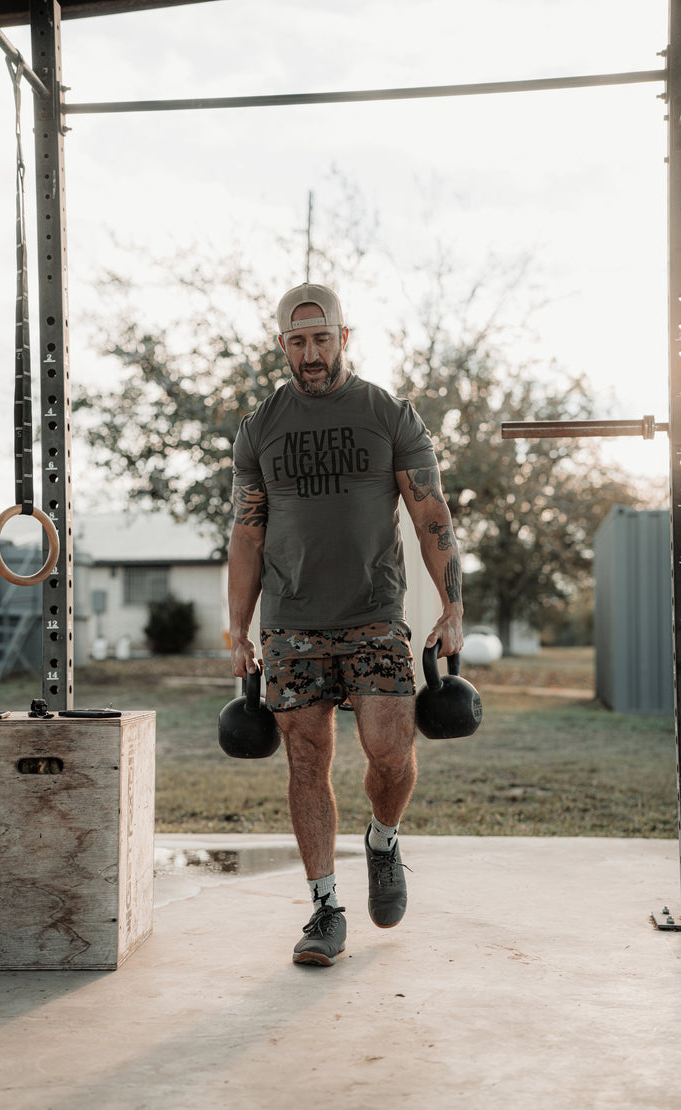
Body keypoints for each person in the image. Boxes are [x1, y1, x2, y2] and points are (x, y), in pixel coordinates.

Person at [228, 282, 464, 967]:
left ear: (344, 337)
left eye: (321, 339)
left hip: (374, 616)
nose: (310, 354)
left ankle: (383, 840)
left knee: (390, 751)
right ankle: (325, 907)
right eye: (297, 342)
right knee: (307, 761)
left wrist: (452, 606)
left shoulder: (389, 416)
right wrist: (238, 629)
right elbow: (247, 534)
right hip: (292, 623)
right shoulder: (259, 427)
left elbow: (431, 518)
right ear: (282, 346)